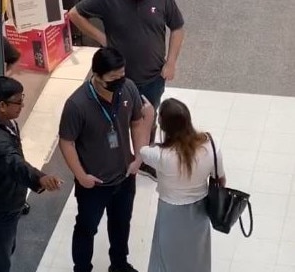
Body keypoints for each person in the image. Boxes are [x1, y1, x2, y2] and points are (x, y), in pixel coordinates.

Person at [58, 47, 154, 272]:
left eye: (122, 75)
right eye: (113, 78)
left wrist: (139, 157)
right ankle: (82, 268)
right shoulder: (77, 104)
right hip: (94, 183)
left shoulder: (128, 88)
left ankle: (119, 264)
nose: (119, 81)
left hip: (124, 176)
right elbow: (67, 142)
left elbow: (137, 122)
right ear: (97, 75)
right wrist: (82, 176)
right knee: (86, 227)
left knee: (121, 225)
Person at [68, 0, 185, 180]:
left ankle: (145, 159)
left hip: (152, 78)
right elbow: (74, 14)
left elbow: (177, 27)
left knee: (147, 118)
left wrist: (171, 63)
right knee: (115, 120)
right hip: (118, 81)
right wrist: (103, 39)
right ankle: (118, 158)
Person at [0, 76, 62, 272]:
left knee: (6, 245)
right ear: (2, 105)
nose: (22, 105)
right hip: (0, 204)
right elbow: (13, 161)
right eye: (18, 102)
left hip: (9, 196)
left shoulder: (5, 121)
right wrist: (40, 178)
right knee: (1, 253)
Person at [139, 98, 226, 272]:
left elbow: (141, 149)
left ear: (164, 127)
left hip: (170, 213)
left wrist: (148, 118)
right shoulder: (210, 146)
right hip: (200, 211)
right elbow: (221, 179)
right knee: (197, 256)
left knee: (165, 256)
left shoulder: (161, 156)